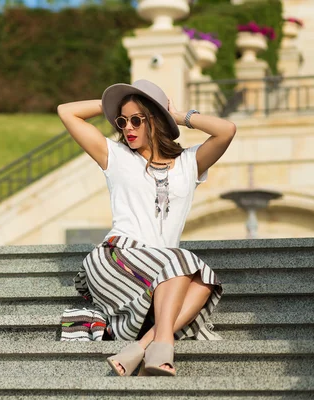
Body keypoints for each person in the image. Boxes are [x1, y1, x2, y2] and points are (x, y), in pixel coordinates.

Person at [57, 79, 236, 376]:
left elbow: (226, 130)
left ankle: (139, 349)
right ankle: (163, 344)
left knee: (204, 282)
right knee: (182, 261)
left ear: (156, 121)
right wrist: (111, 105)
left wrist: (178, 117)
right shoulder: (115, 156)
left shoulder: (189, 163)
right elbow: (67, 112)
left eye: (137, 120)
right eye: (122, 120)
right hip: (116, 258)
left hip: (164, 270)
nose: (128, 127)